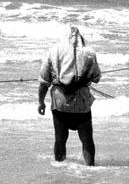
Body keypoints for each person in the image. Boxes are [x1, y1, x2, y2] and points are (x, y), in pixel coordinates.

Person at [37, 25, 102, 166]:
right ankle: (90, 168)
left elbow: (44, 81)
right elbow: (96, 77)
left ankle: (59, 166)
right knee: (87, 139)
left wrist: (41, 102)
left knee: (60, 138)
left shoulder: (53, 51)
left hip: (60, 101)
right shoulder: (89, 53)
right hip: (81, 102)